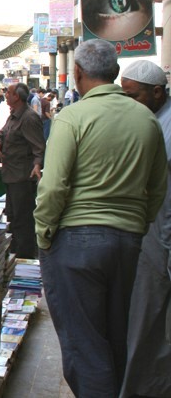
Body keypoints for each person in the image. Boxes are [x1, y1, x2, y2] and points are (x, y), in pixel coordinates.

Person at [34, 40, 166, 397]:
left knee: (84, 345)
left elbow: (53, 186)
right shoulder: (146, 120)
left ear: (77, 73)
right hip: (126, 241)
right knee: (113, 336)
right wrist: (136, 226)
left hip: (76, 241)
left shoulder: (73, 117)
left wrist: (43, 234)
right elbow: (157, 189)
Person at [119, 60, 171, 398]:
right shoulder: (147, 118)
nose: (128, 103)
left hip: (159, 233)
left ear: (157, 92)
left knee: (148, 317)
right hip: (147, 230)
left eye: (133, 96)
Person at [0, 83, 44, 258]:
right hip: (10, 175)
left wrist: (37, 165)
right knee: (13, 220)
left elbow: (39, 147)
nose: (5, 95)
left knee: (23, 222)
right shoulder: (13, 116)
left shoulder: (29, 118)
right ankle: (14, 255)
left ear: (17, 97)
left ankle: (25, 258)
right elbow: (2, 133)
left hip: (22, 177)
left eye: (9, 92)